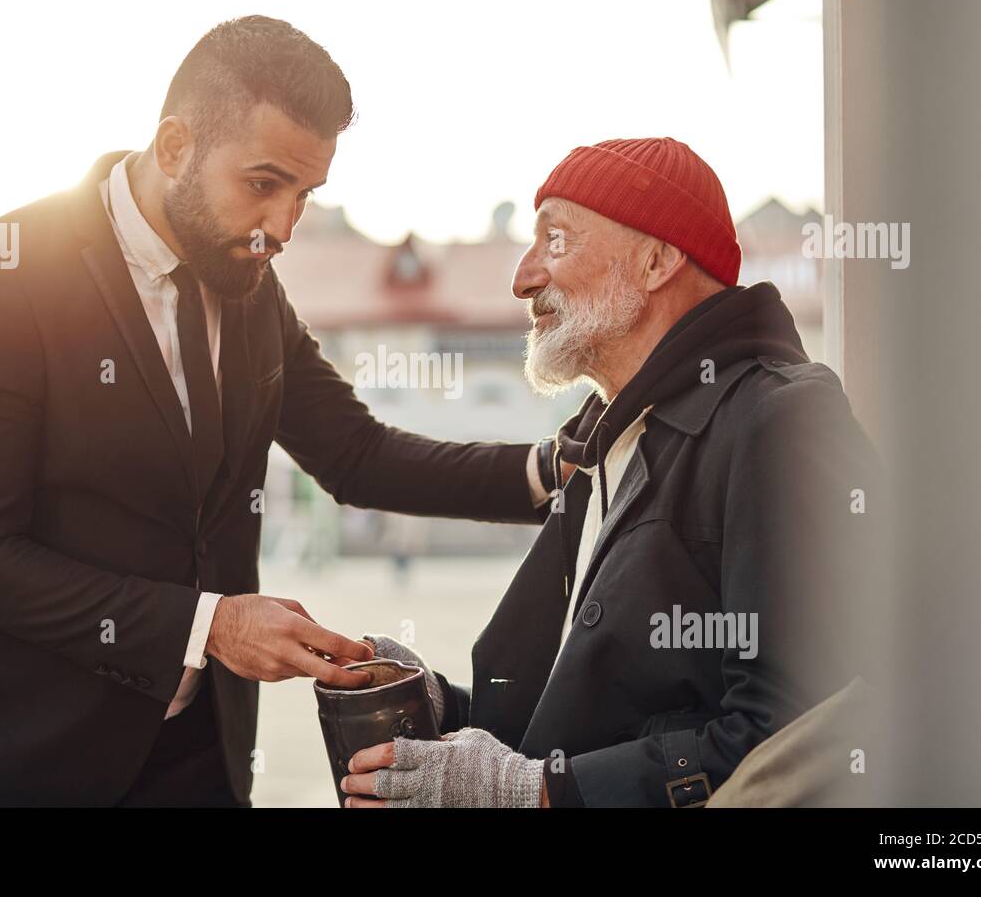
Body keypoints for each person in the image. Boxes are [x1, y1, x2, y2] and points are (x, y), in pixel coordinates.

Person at [0, 16, 561, 808]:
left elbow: (355, 454)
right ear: (175, 147)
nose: (282, 229)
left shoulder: (248, 284)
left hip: (198, 763)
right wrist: (212, 627)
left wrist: (552, 471)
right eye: (262, 184)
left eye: (305, 195)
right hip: (11, 766)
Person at [347, 138, 883, 807]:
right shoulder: (611, 441)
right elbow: (574, 723)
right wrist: (431, 706)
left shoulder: (779, 420)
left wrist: (534, 793)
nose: (522, 277)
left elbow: (797, 733)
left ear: (658, 259)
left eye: (556, 240)